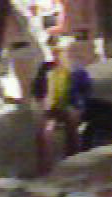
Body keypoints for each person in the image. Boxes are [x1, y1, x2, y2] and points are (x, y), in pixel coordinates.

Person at [30, 36, 92, 175]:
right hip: (51, 108)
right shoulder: (46, 68)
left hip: (70, 106)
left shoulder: (76, 70)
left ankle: (73, 164)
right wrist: (42, 101)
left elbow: (86, 90)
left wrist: (79, 105)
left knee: (73, 125)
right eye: (55, 51)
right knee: (45, 132)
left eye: (61, 51)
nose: (58, 54)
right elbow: (36, 89)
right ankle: (45, 169)